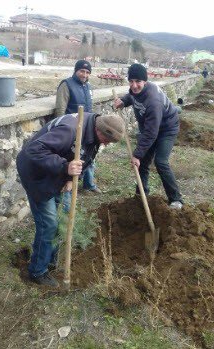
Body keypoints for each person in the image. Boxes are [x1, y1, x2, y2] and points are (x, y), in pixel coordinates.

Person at [16, 113, 125, 287]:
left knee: (64, 218)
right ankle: (38, 271)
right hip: (37, 176)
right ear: (99, 129)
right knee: (49, 223)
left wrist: (70, 178)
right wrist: (65, 167)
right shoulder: (70, 129)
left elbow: (85, 159)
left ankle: (49, 259)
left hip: (59, 175)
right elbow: (33, 151)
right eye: (106, 139)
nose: (106, 144)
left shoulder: (93, 135)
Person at [114, 63, 183, 209]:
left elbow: (151, 133)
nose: (134, 85)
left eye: (138, 82)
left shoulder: (153, 101)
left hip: (166, 129)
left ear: (145, 81)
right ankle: (141, 196)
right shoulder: (136, 89)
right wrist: (124, 101)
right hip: (150, 129)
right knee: (143, 162)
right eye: (131, 81)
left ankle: (176, 199)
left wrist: (136, 154)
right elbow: (131, 95)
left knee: (160, 161)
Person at [55, 59, 101, 194]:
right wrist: (61, 130)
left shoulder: (88, 87)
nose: (85, 75)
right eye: (82, 71)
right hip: (72, 130)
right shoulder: (66, 85)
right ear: (76, 71)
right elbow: (60, 109)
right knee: (73, 160)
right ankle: (68, 190)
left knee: (89, 157)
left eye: (87, 72)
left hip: (87, 129)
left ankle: (89, 184)